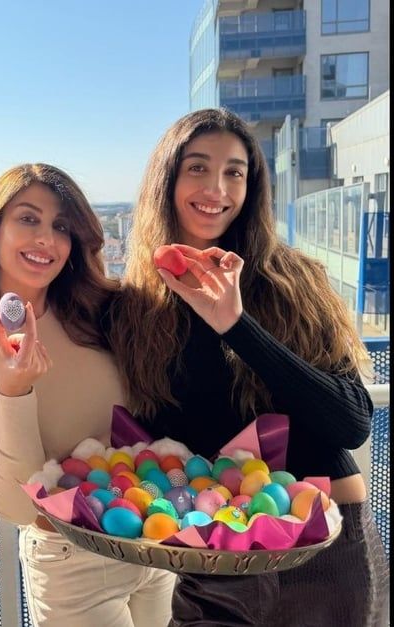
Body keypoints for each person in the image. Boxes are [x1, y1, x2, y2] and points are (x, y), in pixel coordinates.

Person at [106, 108, 389, 627]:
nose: (216, 188)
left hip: (322, 552)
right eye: (197, 167)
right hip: (215, 559)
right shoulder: (137, 307)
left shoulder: (292, 280)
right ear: (167, 180)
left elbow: (352, 423)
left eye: (234, 172)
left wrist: (236, 326)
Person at [0, 163, 176, 627]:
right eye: (28, 219)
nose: (46, 239)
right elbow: (15, 507)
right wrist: (15, 392)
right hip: (72, 561)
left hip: (155, 537)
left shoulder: (103, 311)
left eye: (61, 226)